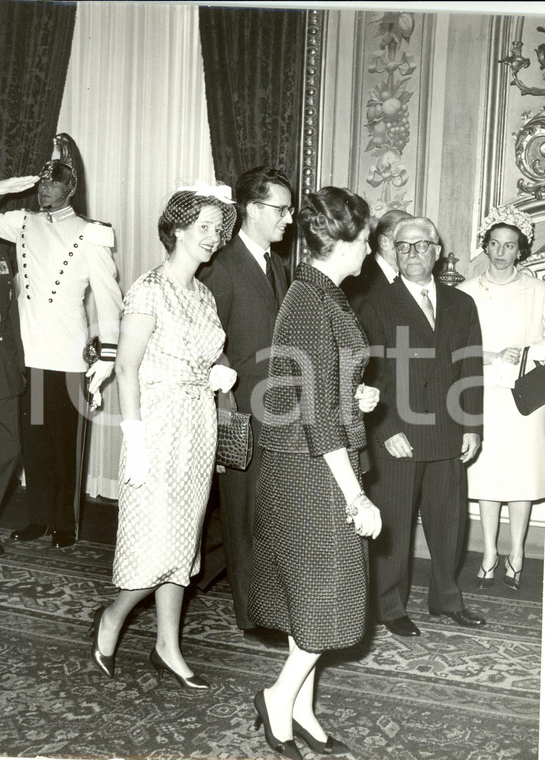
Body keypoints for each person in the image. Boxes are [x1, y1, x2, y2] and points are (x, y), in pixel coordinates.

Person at [248, 187, 382, 759]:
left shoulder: (323, 291)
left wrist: (356, 392)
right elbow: (312, 413)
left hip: (316, 461)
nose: (372, 249)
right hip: (310, 471)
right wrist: (358, 498)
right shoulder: (308, 298)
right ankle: (278, 697)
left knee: (318, 595)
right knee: (327, 596)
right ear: (344, 241)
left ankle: (300, 704)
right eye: (368, 237)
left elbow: (319, 386)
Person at [90, 183, 237, 686]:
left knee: (183, 543)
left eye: (218, 229)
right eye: (203, 228)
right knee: (153, 544)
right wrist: (133, 438)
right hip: (154, 423)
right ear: (176, 230)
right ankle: (113, 616)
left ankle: (167, 647)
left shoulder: (204, 293)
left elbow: (208, 348)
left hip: (197, 424)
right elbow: (127, 368)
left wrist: (221, 370)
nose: (213, 237)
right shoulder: (148, 288)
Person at [0, 135, 122, 548]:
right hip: (29, 352)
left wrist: (108, 352)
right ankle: (39, 517)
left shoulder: (90, 233)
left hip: (66, 354)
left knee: (64, 445)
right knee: (33, 442)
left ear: (71, 189)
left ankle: (65, 521)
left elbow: (108, 297)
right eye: (42, 182)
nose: (45, 187)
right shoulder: (23, 222)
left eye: (55, 181)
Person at [360, 215, 486, 637]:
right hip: (399, 433)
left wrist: (472, 425)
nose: (412, 253)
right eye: (403, 246)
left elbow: (469, 366)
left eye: (421, 245)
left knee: (449, 522)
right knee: (393, 523)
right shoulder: (375, 303)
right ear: (393, 253)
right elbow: (369, 374)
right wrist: (386, 428)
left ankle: (446, 599)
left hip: (449, 429)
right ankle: (389, 606)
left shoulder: (461, 303)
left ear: (437, 250)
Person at [199, 166, 292, 634]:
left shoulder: (275, 264)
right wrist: (223, 407)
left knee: (264, 513)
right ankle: (251, 616)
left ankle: (209, 580)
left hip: (277, 409)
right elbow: (208, 342)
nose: (288, 219)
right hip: (239, 411)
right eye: (280, 209)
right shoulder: (223, 264)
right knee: (242, 515)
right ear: (252, 209)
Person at [458, 205, 545, 590]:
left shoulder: (538, 291)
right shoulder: (466, 292)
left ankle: (517, 554)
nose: (500, 252)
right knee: (489, 475)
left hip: (525, 396)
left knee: (521, 477)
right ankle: (490, 553)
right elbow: (455, 348)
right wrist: (494, 355)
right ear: (485, 247)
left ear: (520, 250)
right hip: (485, 391)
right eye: (494, 244)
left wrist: (526, 352)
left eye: (509, 246)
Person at [0, 179, 32, 554]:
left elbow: (12, 314)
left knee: (7, 450)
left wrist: (17, 363)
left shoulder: (2, 249)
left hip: (0, 370)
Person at [341, 208, 411, 312]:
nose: (414, 250)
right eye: (407, 241)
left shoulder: (407, 280)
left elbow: (402, 326)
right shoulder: (361, 284)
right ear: (384, 243)